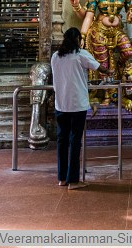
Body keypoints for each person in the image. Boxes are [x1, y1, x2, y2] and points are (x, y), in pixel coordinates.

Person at [51, 27, 112, 189]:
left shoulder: (55, 56)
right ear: (78, 39)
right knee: (75, 141)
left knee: (62, 140)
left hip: (61, 104)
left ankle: (62, 178)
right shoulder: (81, 54)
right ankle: (73, 180)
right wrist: (109, 71)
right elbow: (100, 68)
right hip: (77, 104)